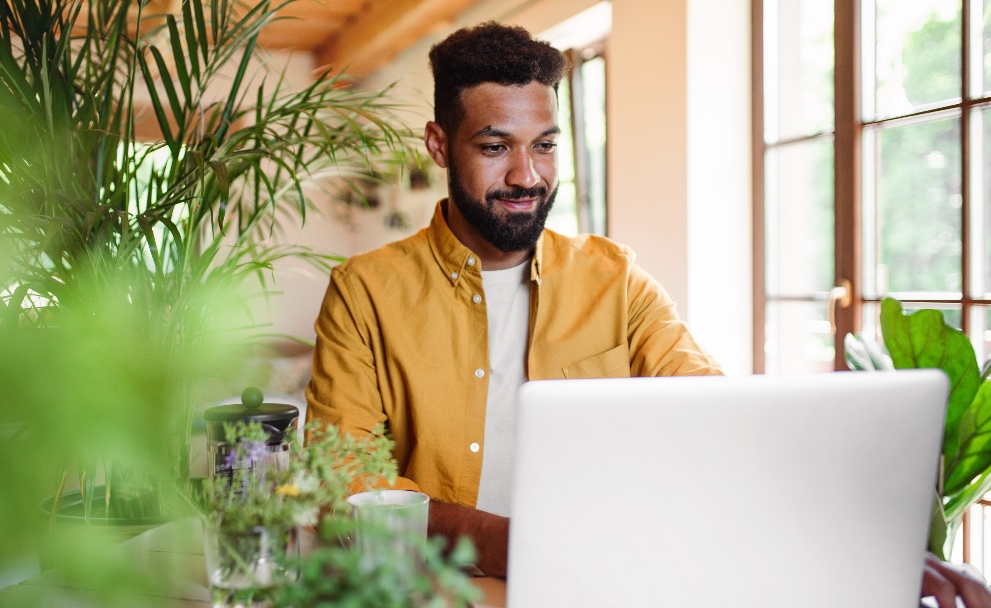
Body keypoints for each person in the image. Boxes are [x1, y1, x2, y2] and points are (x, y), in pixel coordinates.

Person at [305, 21, 991, 607]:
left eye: (544, 144)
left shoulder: (614, 277)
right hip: (447, 594)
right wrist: (513, 543)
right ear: (437, 144)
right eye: (494, 147)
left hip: (609, 586)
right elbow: (346, 489)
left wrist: (857, 544)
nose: (526, 176)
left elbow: (714, 420)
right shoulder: (364, 292)